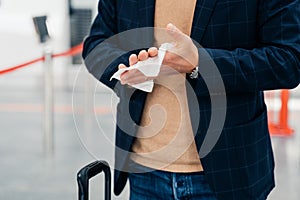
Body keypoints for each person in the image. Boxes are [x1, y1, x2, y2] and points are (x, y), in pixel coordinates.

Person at [82, 0, 300, 199]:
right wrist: (125, 67)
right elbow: (96, 43)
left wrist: (201, 63)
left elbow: (289, 60)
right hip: (144, 171)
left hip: (229, 170)